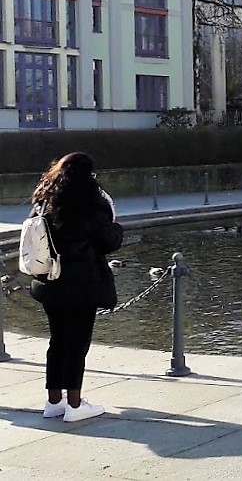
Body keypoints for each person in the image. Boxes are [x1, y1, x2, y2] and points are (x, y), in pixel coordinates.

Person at [28, 152, 123, 423]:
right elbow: (109, 241)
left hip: (50, 280)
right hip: (83, 282)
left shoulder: (44, 200)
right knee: (78, 344)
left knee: (57, 341)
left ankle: (54, 401)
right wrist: (117, 227)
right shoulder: (91, 203)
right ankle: (75, 404)